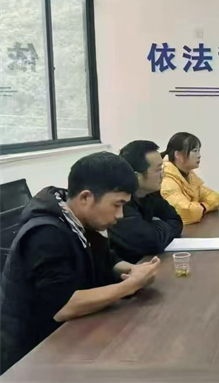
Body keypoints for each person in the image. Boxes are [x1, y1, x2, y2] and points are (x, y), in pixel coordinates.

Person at [0, 152, 161, 375]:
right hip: (33, 358)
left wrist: (131, 269)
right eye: (117, 204)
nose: (121, 215)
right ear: (86, 197)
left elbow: (103, 258)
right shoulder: (46, 233)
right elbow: (63, 306)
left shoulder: (76, 217)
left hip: (70, 340)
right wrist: (130, 285)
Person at [108, 141, 183, 264]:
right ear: (136, 176)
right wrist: (156, 227)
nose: (163, 174)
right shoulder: (120, 203)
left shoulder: (151, 193)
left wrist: (154, 227)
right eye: (158, 170)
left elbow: (176, 220)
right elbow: (152, 242)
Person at [160, 132, 219, 225]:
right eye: (195, 151)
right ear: (177, 155)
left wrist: (201, 208)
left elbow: (214, 198)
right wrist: (203, 207)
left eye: (198, 151)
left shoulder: (189, 175)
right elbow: (186, 212)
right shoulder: (166, 179)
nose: (199, 155)